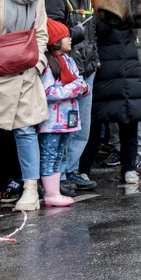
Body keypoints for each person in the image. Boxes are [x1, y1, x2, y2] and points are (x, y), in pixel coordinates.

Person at [0, 0, 62, 212]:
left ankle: (31, 189)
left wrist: (38, 63)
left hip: (26, 73)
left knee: (26, 130)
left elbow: (41, 32)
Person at [78, 20, 141, 185]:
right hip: (103, 70)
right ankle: (83, 169)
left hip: (128, 70)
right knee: (93, 123)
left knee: (129, 120)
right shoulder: (100, 12)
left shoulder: (130, 11)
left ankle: (130, 167)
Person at [38, 19, 90, 207]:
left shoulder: (69, 60)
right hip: (52, 122)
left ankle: (56, 190)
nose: (70, 39)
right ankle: (50, 193)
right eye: (66, 36)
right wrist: (76, 88)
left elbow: (80, 82)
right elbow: (48, 92)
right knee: (49, 154)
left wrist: (82, 88)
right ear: (55, 41)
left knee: (60, 154)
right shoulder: (48, 64)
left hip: (68, 120)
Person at [60, 0, 99, 191]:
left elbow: (93, 36)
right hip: (68, 72)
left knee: (82, 126)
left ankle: (72, 169)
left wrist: (95, 62)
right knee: (64, 125)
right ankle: (59, 174)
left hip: (88, 70)